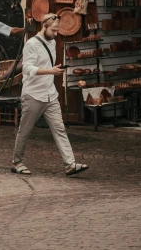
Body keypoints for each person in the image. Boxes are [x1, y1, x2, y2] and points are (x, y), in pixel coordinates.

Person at [11, 13, 89, 177]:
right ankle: (17, 162)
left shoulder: (52, 42)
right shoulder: (31, 44)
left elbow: (47, 65)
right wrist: (50, 71)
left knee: (60, 129)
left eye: (57, 31)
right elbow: (27, 69)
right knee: (25, 130)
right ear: (44, 26)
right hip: (33, 94)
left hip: (50, 94)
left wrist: (55, 70)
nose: (56, 34)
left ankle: (70, 164)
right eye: (53, 30)